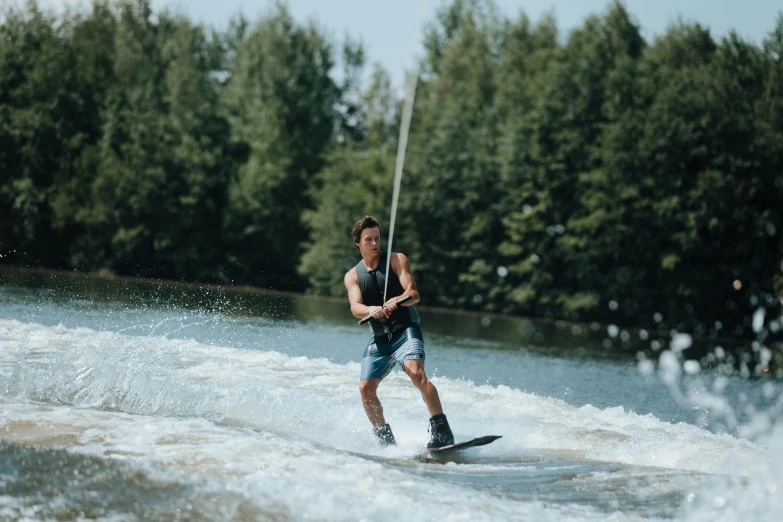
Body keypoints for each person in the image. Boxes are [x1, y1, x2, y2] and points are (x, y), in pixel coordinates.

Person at [344, 215, 455, 449]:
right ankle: (386, 441)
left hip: (406, 331)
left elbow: (414, 293)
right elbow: (355, 307)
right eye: (369, 240)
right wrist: (373, 309)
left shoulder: (396, 260)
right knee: (365, 388)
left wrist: (398, 299)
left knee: (416, 373)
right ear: (358, 243)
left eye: (377, 238)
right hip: (381, 338)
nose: (375, 244)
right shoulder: (352, 276)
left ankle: (441, 430)